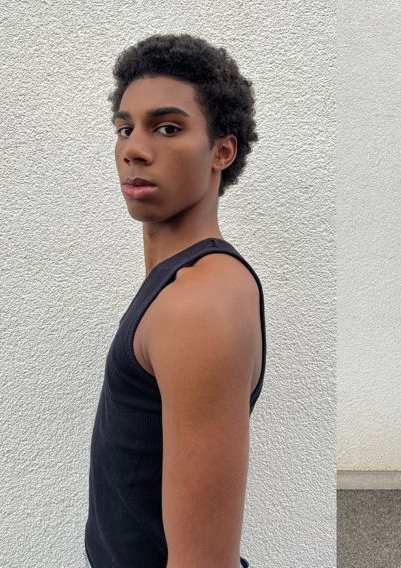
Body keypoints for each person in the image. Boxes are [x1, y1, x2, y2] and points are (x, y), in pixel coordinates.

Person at [84, 34, 264, 568]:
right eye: (124, 128)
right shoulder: (182, 283)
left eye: (167, 128)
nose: (134, 148)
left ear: (222, 151)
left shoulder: (199, 304)